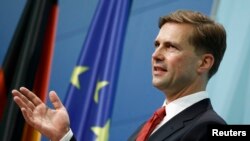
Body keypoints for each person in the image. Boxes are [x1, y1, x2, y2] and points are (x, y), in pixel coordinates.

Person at [12, 10, 227, 141]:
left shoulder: (211, 128)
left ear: (204, 62)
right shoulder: (146, 129)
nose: (156, 55)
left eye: (170, 47)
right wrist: (64, 136)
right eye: (157, 44)